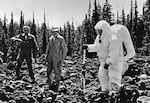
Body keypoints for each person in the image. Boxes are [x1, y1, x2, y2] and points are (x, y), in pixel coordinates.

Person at [83, 20, 135, 93]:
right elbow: (97, 47)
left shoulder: (113, 38)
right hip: (104, 61)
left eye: (100, 30)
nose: (99, 32)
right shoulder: (99, 38)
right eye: (97, 31)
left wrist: (108, 62)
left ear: (105, 29)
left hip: (115, 62)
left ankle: (116, 93)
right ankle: (105, 92)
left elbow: (113, 52)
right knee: (102, 76)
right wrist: (88, 47)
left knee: (114, 77)